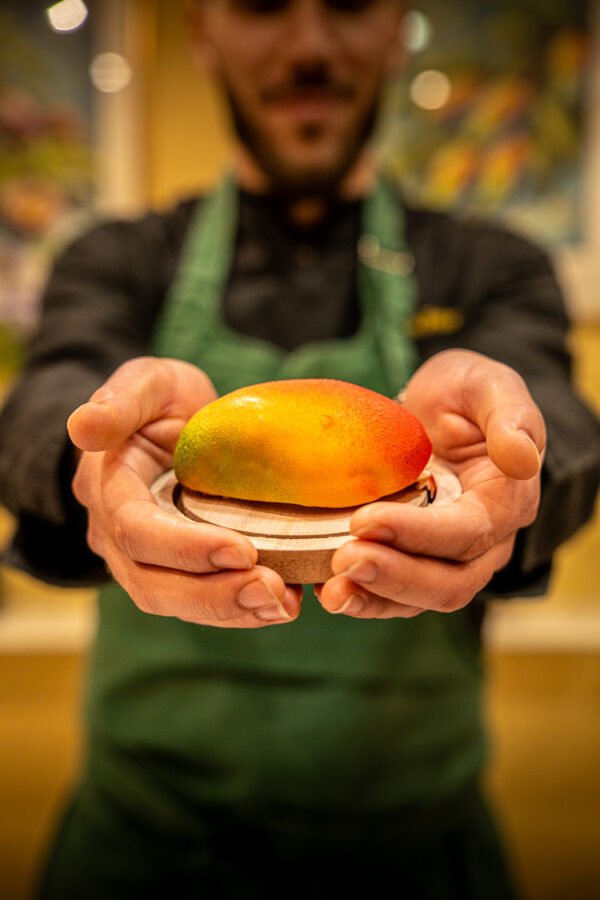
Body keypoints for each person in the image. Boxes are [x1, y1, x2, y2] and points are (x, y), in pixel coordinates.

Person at [0, 0, 598, 897]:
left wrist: (519, 462)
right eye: (264, 3)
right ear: (204, 29)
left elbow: (555, 414)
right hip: (142, 848)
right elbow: (50, 396)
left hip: (418, 853)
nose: (310, 45)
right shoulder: (119, 259)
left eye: (351, 4)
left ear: (399, 27)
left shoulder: (492, 264)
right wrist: (90, 460)